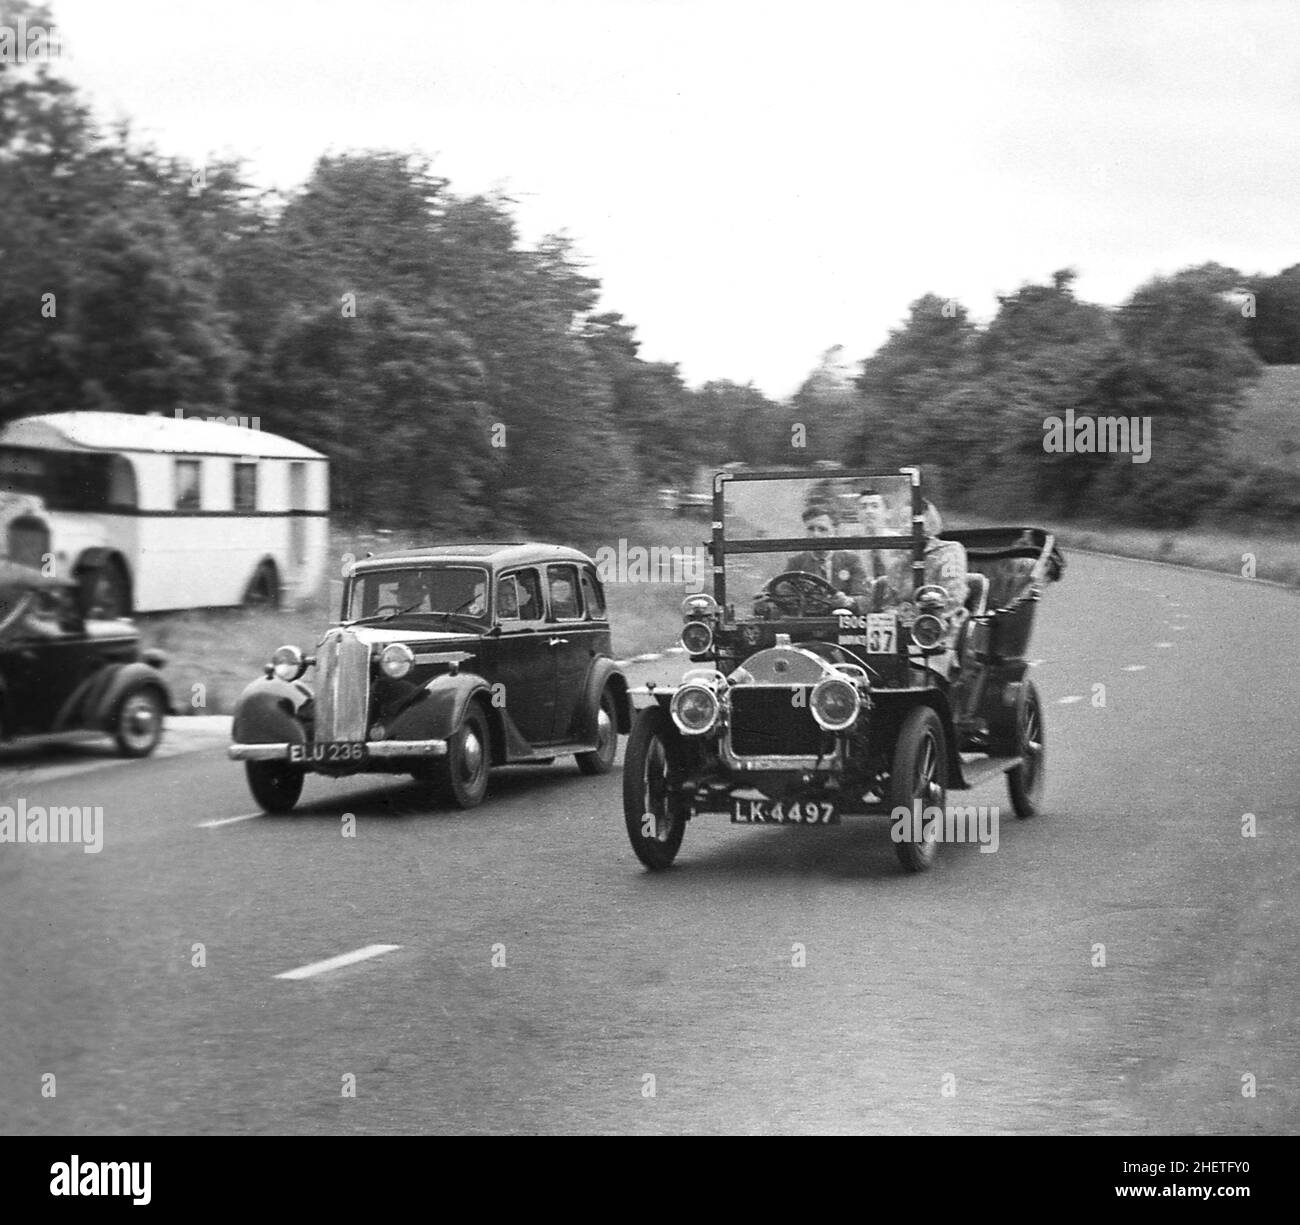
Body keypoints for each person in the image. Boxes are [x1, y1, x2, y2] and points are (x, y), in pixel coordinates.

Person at [784, 504, 868, 600]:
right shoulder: (796, 563)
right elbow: (784, 594)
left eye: (822, 529)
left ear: (835, 531)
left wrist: (848, 601)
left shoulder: (851, 560)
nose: (815, 535)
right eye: (811, 529)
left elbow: (864, 599)